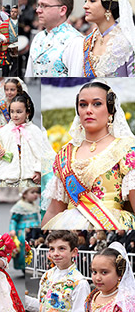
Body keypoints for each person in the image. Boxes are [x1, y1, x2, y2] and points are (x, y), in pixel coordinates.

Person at [41, 81, 135, 230]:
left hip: (110, 224)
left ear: (110, 109)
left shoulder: (126, 148)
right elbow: (53, 210)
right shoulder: (66, 153)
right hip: (67, 225)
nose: (88, 110)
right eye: (83, 105)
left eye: (97, 104)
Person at [73, 0, 135, 77]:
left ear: (108, 5)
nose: (85, 6)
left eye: (92, 1)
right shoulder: (87, 41)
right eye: (86, 0)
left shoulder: (127, 42)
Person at [0, 92, 43, 187]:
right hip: (5, 173)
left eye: (19, 112)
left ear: (27, 113)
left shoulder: (34, 131)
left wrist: (39, 171)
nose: (15, 115)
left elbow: (41, 154)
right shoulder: (2, 132)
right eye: (12, 111)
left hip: (30, 175)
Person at [25, 0, 82, 77]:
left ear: (62, 10)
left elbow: (76, 78)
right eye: (38, 5)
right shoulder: (38, 37)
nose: (38, 10)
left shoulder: (75, 41)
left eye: (44, 6)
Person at [85, 242, 135, 312]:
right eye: (94, 272)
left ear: (119, 274)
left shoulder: (124, 302)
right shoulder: (92, 296)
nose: (98, 278)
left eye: (104, 272)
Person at [9, 188, 40, 272]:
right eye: (32, 192)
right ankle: (23, 265)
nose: (35, 194)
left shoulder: (34, 205)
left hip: (34, 227)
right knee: (23, 242)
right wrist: (12, 229)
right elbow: (14, 220)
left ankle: (33, 263)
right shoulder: (20, 206)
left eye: (36, 192)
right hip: (23, 229)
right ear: (24, 194)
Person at [0, 5, 18, 76]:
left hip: (17, 47)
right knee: (5, 66)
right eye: (12, 11)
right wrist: (3, 37)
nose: (13, 13)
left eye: (15, 12)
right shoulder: (5, 23)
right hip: (6, 47)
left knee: (16, 65)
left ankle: (12, 76)